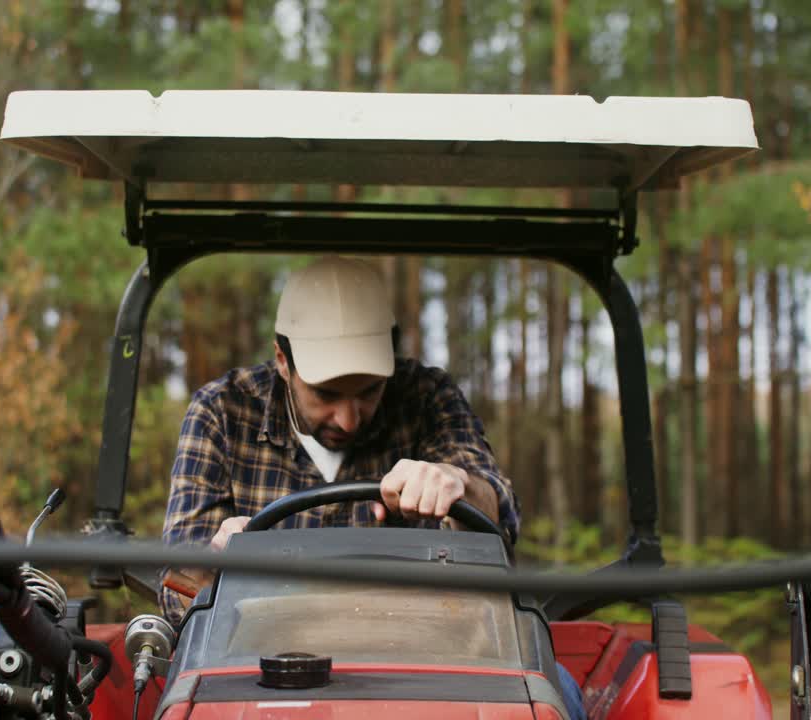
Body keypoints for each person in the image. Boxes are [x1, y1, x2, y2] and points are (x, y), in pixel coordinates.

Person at [159, 255, 585, 720]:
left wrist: (457, 484)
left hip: (429, 660)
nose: (348, 418)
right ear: (284, 361)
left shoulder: (426, 397)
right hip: (264, 665)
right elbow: (180, 594)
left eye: (368, 392)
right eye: (325, 395)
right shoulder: (222, 411)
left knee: (556, 690)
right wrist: (215, 560)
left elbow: (496, 512)